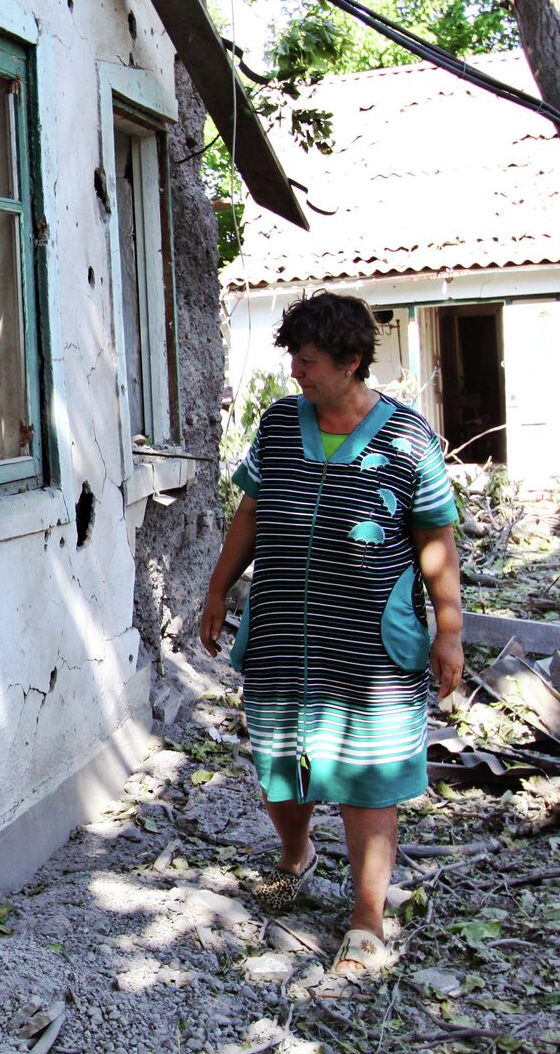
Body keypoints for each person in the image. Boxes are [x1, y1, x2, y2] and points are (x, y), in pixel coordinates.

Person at [199, 291, 463, 976]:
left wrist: (449, 631)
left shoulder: (409, 440)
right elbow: (251, 513)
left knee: (367, 776)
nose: (297, 373)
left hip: (369, 641)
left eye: (309, 361)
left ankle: (368, 920)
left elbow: (436, 539)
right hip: (286, 628)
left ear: (351, 362)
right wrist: (217, 588)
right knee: (281, 766)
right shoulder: (282, 424)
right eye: (293, 358)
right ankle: (296, 856)